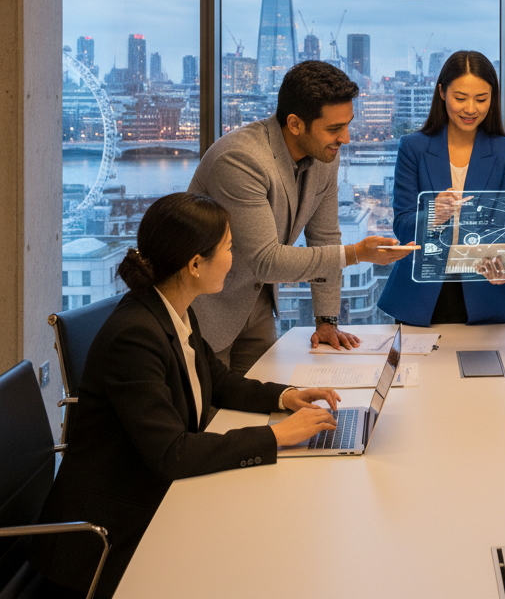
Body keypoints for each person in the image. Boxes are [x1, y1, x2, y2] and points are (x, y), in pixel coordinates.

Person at [30, 193, 342, 598]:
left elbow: (220, 380)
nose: (236, 258)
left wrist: (287, 397)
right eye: (230, 248)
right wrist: (277, 437)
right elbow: (171, 454)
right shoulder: (135, 336)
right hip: (107, 537)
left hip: (151, 499)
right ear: (195, 264)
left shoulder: (174, 308)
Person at [189, 61, 411, 372]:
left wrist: (326, 320)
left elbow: (325, 236)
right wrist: (356, 254)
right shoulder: (239, 160)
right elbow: (266, 260)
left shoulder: (324, 155)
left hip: (258, 302)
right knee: (210, 416)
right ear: (295, 124)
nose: (345, 138)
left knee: (260, 402)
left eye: (347, 124)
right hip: (207, 309)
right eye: (334, 128)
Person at [378, 51, 505, 325]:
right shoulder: (413, 148)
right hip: (420, 294)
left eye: (482, 99)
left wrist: (504, 263)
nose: (471, 109)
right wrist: (434, 213)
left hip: (485, 290)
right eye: (460, 98)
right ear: (442, 92)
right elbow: (403, 226)